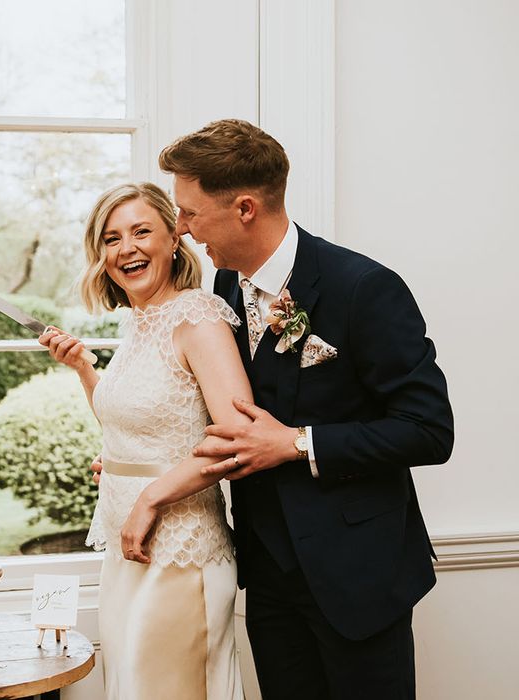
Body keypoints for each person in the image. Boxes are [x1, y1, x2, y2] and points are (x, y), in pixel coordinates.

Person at [118, 119, 454, 699]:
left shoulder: (363, 288)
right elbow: (225, 413)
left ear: (245, 207)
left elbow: (428, 430)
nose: (184, 230)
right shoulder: (221, 290)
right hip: (266, 572)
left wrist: (299, 443)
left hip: (357, 577)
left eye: (191, 213)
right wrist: (147, 461)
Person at [39, 182, 250, 699]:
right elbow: (131, 424)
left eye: (140, 231)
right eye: (111, 239)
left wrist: (151, 496)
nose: (126, 248)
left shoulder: (197, 317)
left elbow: (238, 437)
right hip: (127, 546)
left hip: (182, 551)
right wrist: (85, 369)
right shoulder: (139, 321)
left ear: (174, 238)